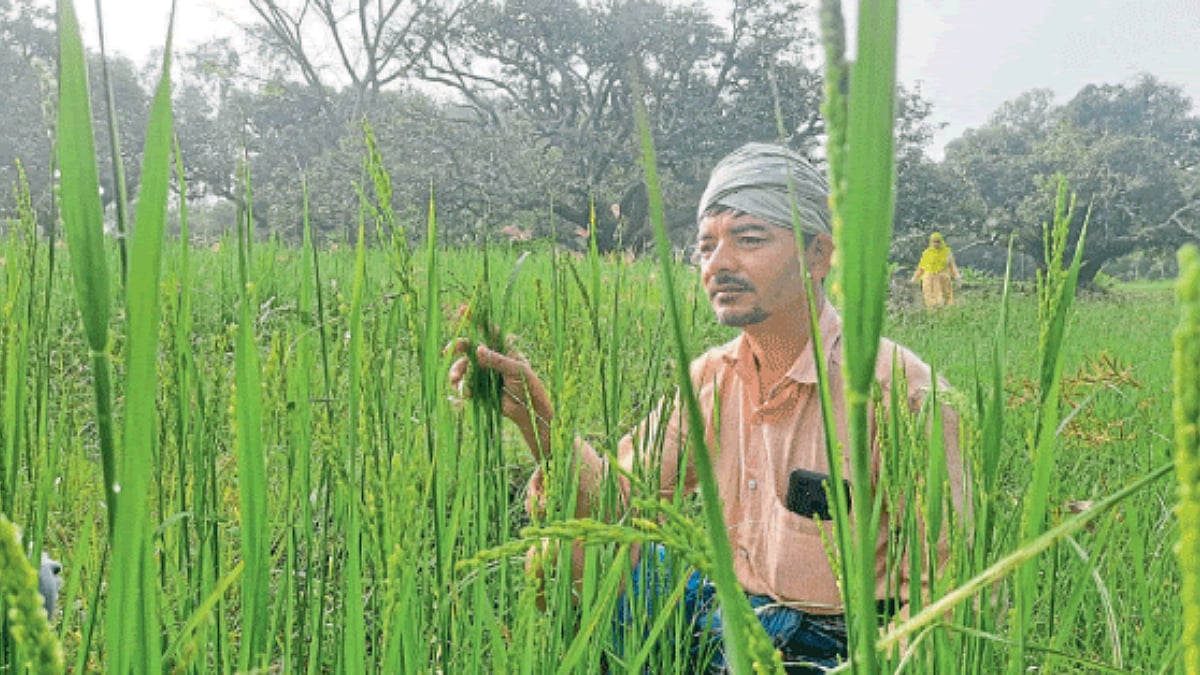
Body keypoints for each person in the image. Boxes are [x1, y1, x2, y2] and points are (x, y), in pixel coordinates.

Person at [449, 142, 964, 672]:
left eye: (748, 239)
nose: (719, 264)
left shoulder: (902, 396)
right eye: (706, 246)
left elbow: (949, 594)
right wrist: (535, 414)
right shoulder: (713, 378)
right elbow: (616, 506)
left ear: (818, 254)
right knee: (567, 554)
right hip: (732, 606)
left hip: (836, 641)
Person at [910, 232, 960, 309]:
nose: (936, 244)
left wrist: (957, 276)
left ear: (941, 241)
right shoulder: (927, 253)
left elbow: (952, 266)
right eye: (934, 242)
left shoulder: (947, 253)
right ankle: (931, 312)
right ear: (931, 242)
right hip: (928, 280)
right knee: (929, 298)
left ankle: (945, 312)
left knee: (944, 298)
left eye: (938, 242)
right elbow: (921, 268)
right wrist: (914, 279)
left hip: (942, 279)